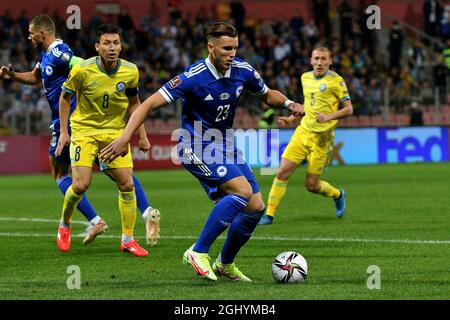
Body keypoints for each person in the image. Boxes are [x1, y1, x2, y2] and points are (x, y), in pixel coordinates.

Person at [100, 22, 303, 281]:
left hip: (225, 145)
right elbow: (148, 105)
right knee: (242, 191)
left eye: (235, 47)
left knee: (255, 206)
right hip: (194, 144)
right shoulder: (193, 77)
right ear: (211, 47)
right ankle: (198, 251)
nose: (232, 53)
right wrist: (124, 138)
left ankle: (224, 264)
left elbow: (266, 94)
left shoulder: (243, 70)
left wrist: (288, 103)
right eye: (227, 48)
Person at [0, 15, 160, 247]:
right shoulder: (46, 55)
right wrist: (11, 75)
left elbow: (81, 65)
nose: (28, 37)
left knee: (61, 175)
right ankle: (145, 212)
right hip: (79, 124)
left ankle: (92, 220)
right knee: (114, 173)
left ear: (41, 34)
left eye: (30, 33)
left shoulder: (59, 53)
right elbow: (35, 77)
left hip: (74, 123)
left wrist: (98, 81)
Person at [54, 24, 153, 256]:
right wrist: (65, 133)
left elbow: (135, 104)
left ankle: (127, 239)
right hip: (85, 131)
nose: (112, 47)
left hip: (115, 133)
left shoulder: (131, 71)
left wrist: (142, 135)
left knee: (127, 184)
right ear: (97, 47)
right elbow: (64, 97)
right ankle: (64, 224)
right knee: (80, 184)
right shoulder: (82, 70)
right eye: (107, 43)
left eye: (116, 43)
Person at [258, 47, 353, 225]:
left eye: (323, 59)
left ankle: (338, 194)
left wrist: (328, 117)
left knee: (311, 186)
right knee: (282, 172)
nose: (319, 62)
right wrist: (289, 119)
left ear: (330, 61)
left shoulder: (337, 81)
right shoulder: (305, 78)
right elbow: (308, 107)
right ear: (310, 60)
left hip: (322, 139)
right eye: (316, 58)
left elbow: (349, 109)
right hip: (302, 133)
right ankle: (269, 214)